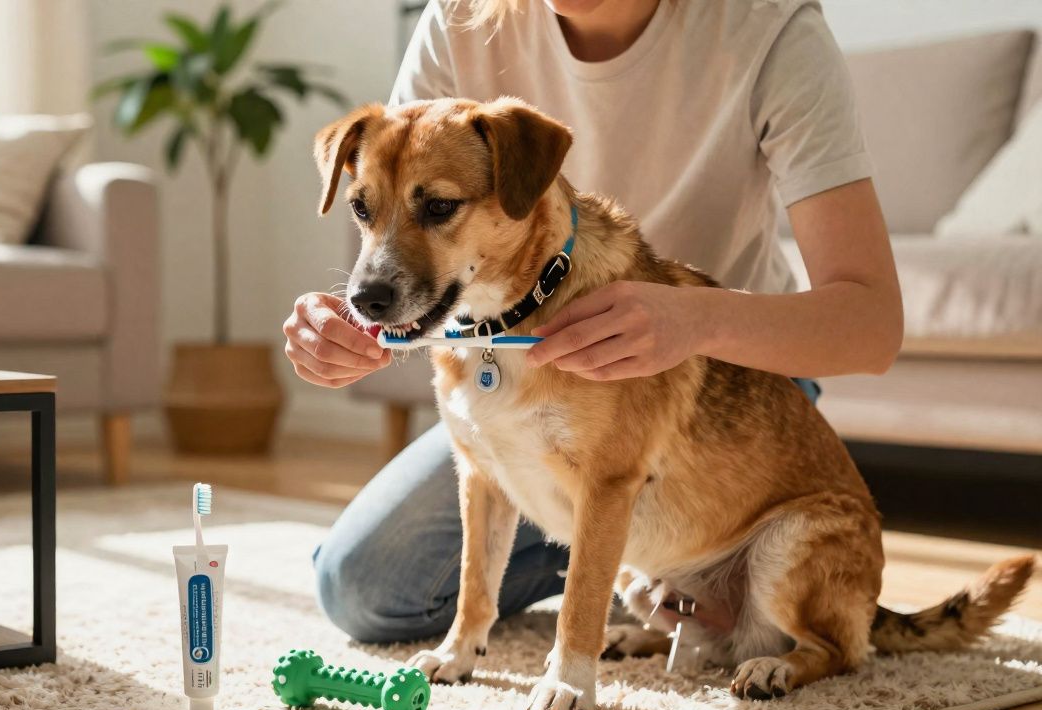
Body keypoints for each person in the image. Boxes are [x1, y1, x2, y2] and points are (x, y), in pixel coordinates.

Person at [282, 0, 902, 643]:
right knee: (360, 588)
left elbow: (873, 327)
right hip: (513, 376)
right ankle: (621, 566)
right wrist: (342, 329)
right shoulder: (461, 18)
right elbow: (394, 191)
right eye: (358, 210)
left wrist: (694, 320)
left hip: (726, 400)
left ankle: (641, 565)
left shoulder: (770, 27)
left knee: (621, 496)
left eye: (440, 208)